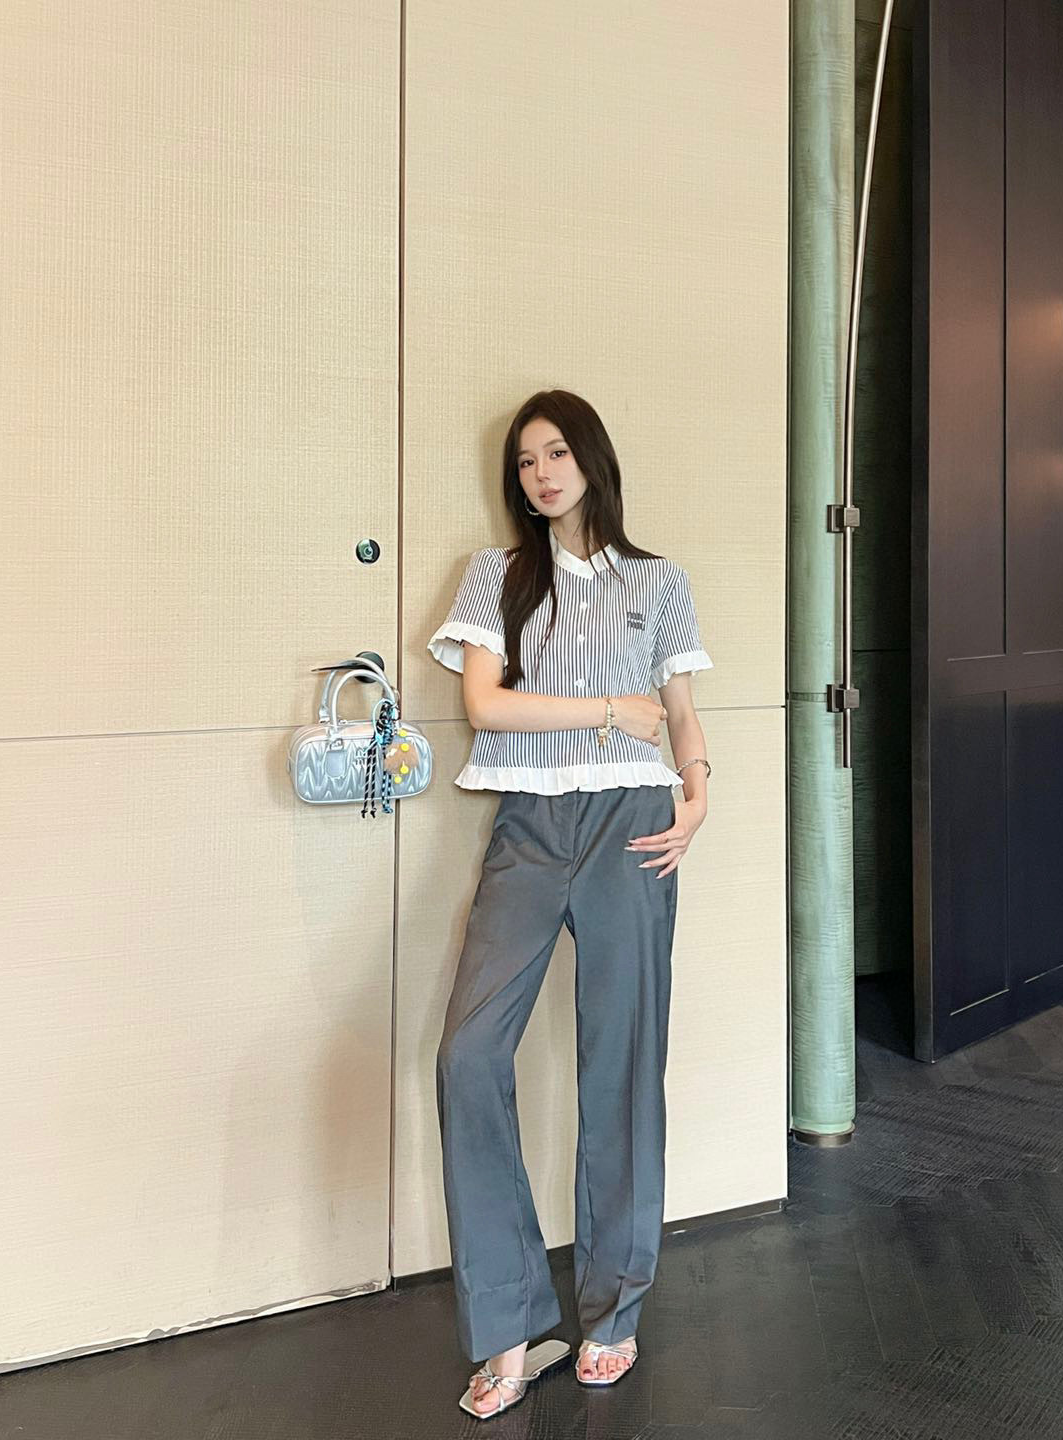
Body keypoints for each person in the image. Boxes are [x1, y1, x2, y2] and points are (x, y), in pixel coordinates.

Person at [426, 388, 713, 1419]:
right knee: (468, 1053)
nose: (541, 474)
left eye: (555, 453)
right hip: (532, 829)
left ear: (591, 457)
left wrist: (698, 791)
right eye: (525, 461)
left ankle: (614, 1312)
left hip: (635, 821)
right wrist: (605, 709)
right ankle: (508, 1324)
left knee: (622, 1061)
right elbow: (485, 704)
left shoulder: (659, 580)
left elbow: (679, 711)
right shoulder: (498, 575)